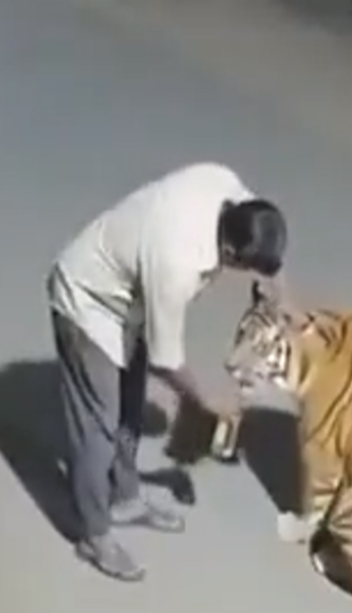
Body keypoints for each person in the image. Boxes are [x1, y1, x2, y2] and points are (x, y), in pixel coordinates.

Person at [46, 162, 291, 582]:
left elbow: (261, 229)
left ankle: (125, 497)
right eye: (247, 267)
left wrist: (275, 286)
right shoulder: (177, 263)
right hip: (87, 302)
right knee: (98, 428)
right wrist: (205, 401)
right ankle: (94, 534)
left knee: (129, 407)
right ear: (230, 254)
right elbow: (167, 360)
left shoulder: (225, 186)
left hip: (131, 301)